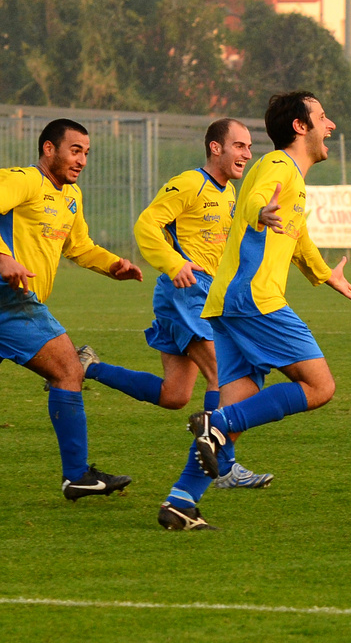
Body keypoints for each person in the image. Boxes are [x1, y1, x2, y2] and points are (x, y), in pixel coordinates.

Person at [158, 91, 351, 531]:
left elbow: (298, 234)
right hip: (255, 299)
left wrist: (326, 274)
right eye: (323, 118)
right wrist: (259, 213)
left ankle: (180, 502)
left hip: (229, 304)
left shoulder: (294, 177)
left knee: (236, 413)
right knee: (319, 386)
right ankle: (213, 427)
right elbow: (255, 201)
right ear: (300, 127)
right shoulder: (277, 166)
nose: (331, 127)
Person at [77, 118, 273, 490]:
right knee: (226, 374)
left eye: (249, 147)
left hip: (199, 293)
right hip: (185, 291)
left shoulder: (228, 193)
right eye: (240, 146)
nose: (247, 154)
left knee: (175, 395)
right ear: (216, 147)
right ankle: (226, 468)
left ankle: (89, 366)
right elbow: (146, 225)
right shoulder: (189, 183)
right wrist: (174, 263)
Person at [0, 119, 145, 500]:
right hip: (10, 299)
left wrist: (115, 264)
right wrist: (2, 256)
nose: (81, 160)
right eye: (74, 150)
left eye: (86, 153)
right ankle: (77, 475)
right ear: (49, 149)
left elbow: (78, 246)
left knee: (67, 370)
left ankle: (77, 474)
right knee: (68, 368)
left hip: (17, 305)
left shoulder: (71, 197)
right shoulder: (23, 180)